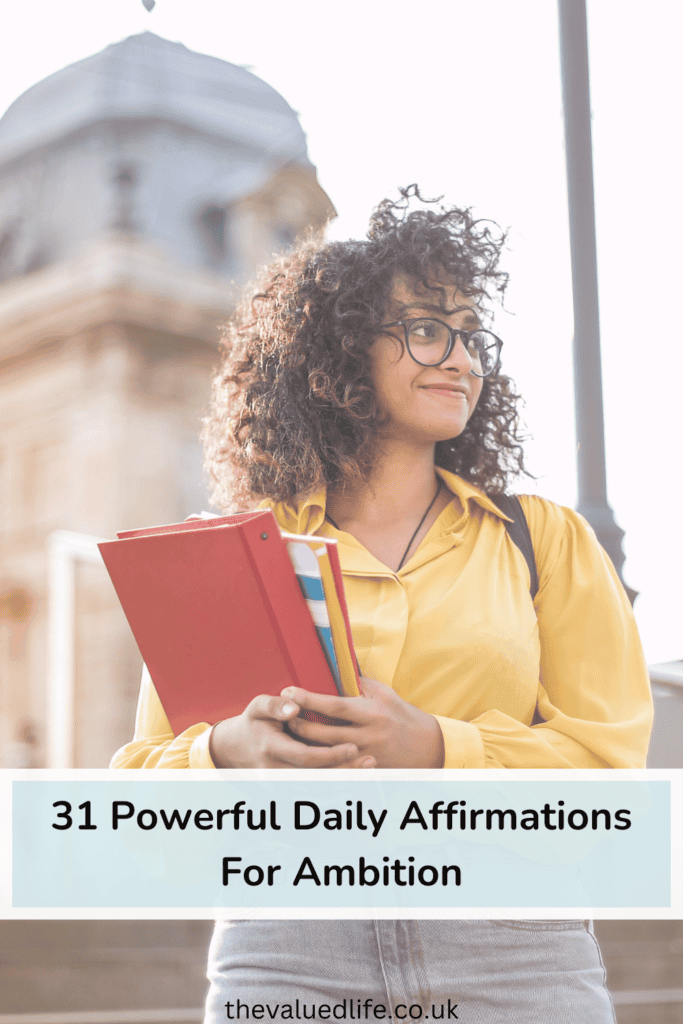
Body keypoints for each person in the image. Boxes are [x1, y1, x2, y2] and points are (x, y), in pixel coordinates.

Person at [111, 187, 652, 1022]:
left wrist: (436, 748)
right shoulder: (238, 555)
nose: (462, 359)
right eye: (427, 329)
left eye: (472, 335)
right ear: (339, 349)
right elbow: (140, 808)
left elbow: (609, 779)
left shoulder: (542, 540)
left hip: (513, 953)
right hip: (287, 955)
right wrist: (224, 752)